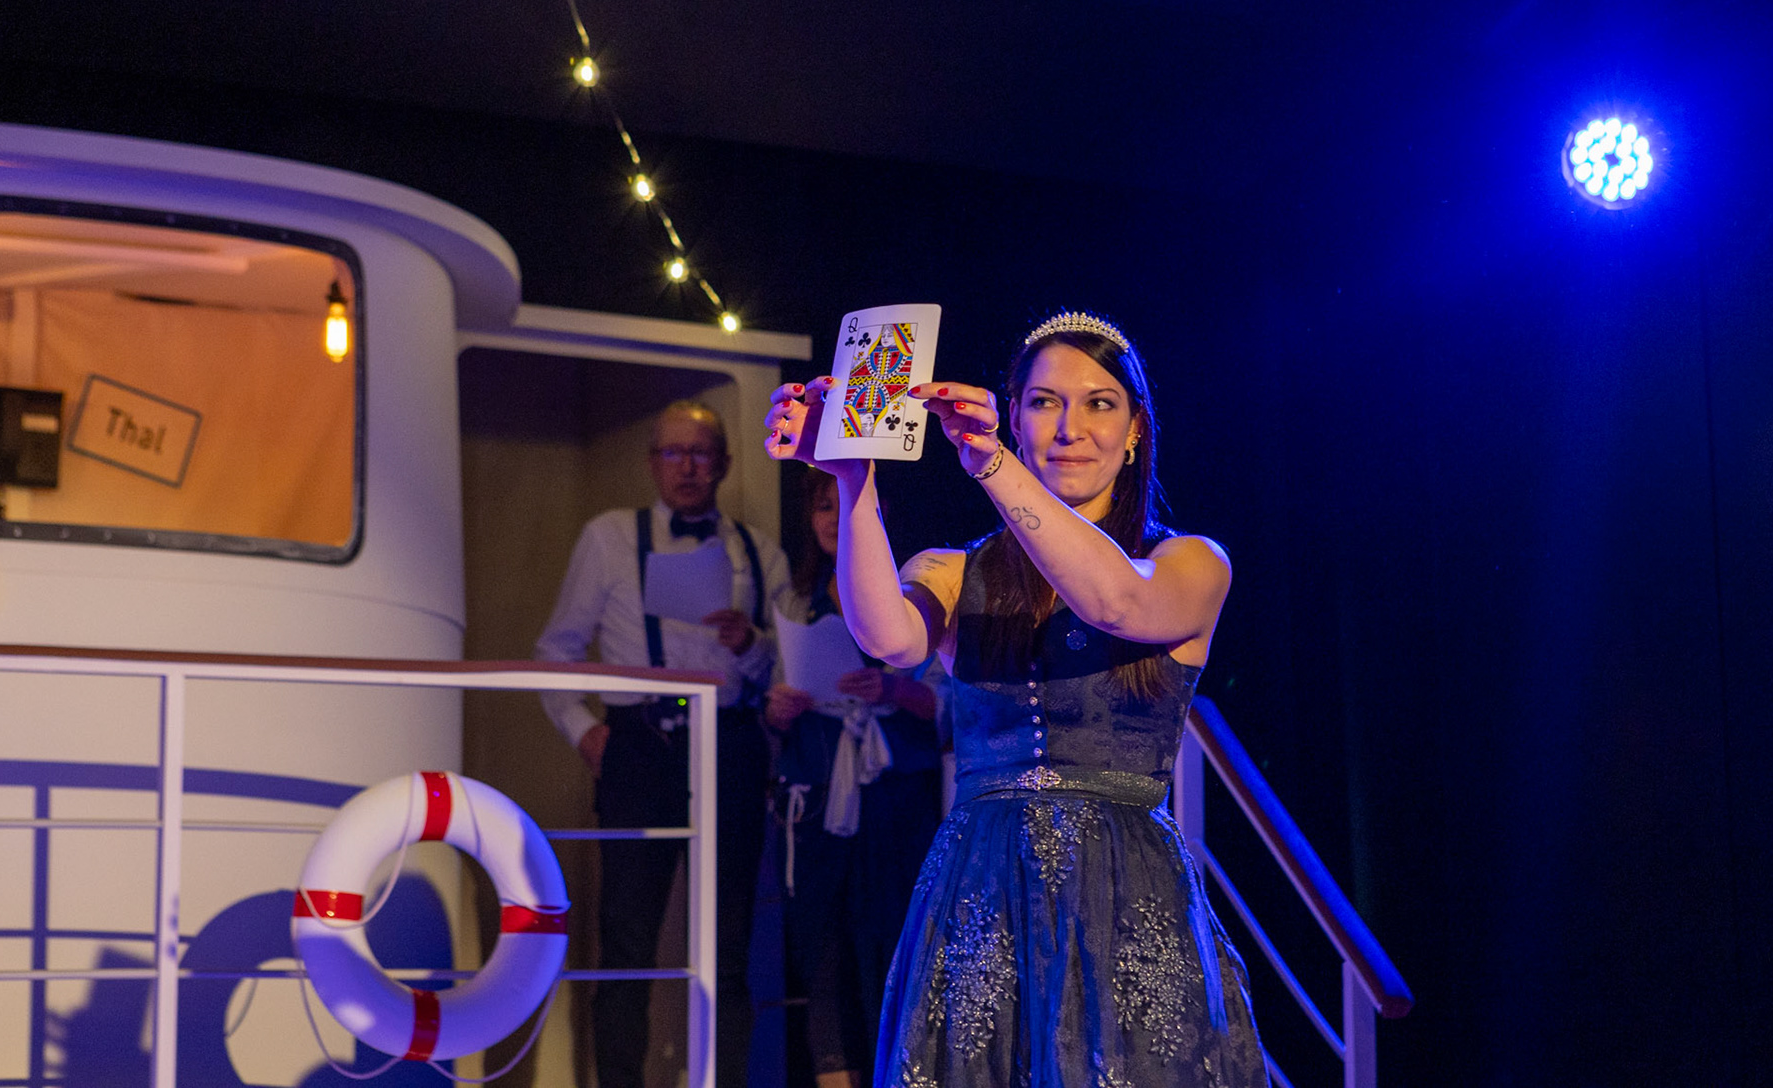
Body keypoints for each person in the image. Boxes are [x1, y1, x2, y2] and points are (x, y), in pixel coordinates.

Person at [763, 311, 1269, 1088]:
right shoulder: (954, 570)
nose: (1070, 428)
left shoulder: (1192, 562)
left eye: (1099, 404)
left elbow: (1115, 603)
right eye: (1044, 403)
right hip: (983, 885)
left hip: (1124, 889)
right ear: (1015, 413)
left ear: (1135, 429)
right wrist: (852, 477)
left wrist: (992, 464)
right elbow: (887, 638)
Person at [537, 398, 790, 1088]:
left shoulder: (759, 552)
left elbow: (789, 674)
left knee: (729, 942)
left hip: (729, 744)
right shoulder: (609, 537)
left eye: (700, 452)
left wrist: (751, 644)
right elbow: (557, 648)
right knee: (626, 940)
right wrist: (584, 729)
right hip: (640, 745)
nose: (686, 467)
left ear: (724, 464)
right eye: (672, 452)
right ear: (652, 462)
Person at [765, 469, 945, 1088]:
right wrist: (778, 707)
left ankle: (898, 1073)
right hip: (816, 794)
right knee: (821, 949)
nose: (831, 520)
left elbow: (951, 705)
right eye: (821, 507)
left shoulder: (919, 597)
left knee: (893, 943)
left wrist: (894, 689)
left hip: (895, 797)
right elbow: (772, 698)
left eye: (841, 504)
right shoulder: (794, 602)